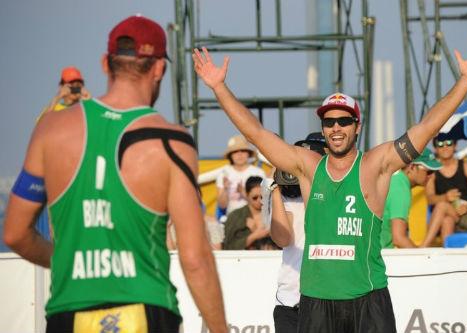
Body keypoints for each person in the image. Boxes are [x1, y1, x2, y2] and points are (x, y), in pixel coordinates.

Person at [193, 38, 467, 332]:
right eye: (329, 122)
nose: (336, 128)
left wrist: (465, 81)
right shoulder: (308, 167)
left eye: (344, 121)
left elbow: (427, 127)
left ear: (357, 126)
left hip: (367, 298)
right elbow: (256, 134)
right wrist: (219, 88)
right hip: (316, 301)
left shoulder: (376, 165)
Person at [3, 15, 227, 333]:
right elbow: (195, 258)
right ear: (160, 68)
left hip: (69, 311)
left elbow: (14, 233)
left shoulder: (51, 129)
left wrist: (69, 261)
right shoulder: (171, 141)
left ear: (105, 65)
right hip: (145, 309)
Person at [264, 133, 326, 333]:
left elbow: (316, 217)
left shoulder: (336, 195)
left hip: (326, 297)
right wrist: (274, 189)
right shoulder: (284, 198)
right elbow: (283, 238)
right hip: (290, 300)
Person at [421, 137, 467, 247]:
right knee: (446, 220)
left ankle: (424, 246)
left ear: (455, 146)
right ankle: (448, 256)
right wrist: (445, 197)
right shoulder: (432, 172)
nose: (445, 147)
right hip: (448, 216)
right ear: (435, 148)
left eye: (449, 143)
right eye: (440, 144)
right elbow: (430, 198)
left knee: (441, 207)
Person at [380, 148, 442, 248]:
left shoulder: (395, 181)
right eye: (429, 171)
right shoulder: (401, 188)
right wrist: (420, 259)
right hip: (379, 257)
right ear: (412, 167)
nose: (432, 176)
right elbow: (399, 238)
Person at [216, 135, 266, 217]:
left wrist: (243, 193)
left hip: (255, 218)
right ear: (230, 155)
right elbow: (222, 206)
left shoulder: (259, 173)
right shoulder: (224, 174)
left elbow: (263, 203)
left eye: (243, 150)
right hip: (232, 219)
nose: (239, 154)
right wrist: (225, 189)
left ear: (248, 153)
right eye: (235, 151)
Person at [223, 176, 271, 249]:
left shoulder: (273, 214)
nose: (259, 201)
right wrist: (254, 235)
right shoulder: (235, 216)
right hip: (241, 259)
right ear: (247, 195)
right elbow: (228, 246)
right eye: (255, 197)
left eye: (262, 197)